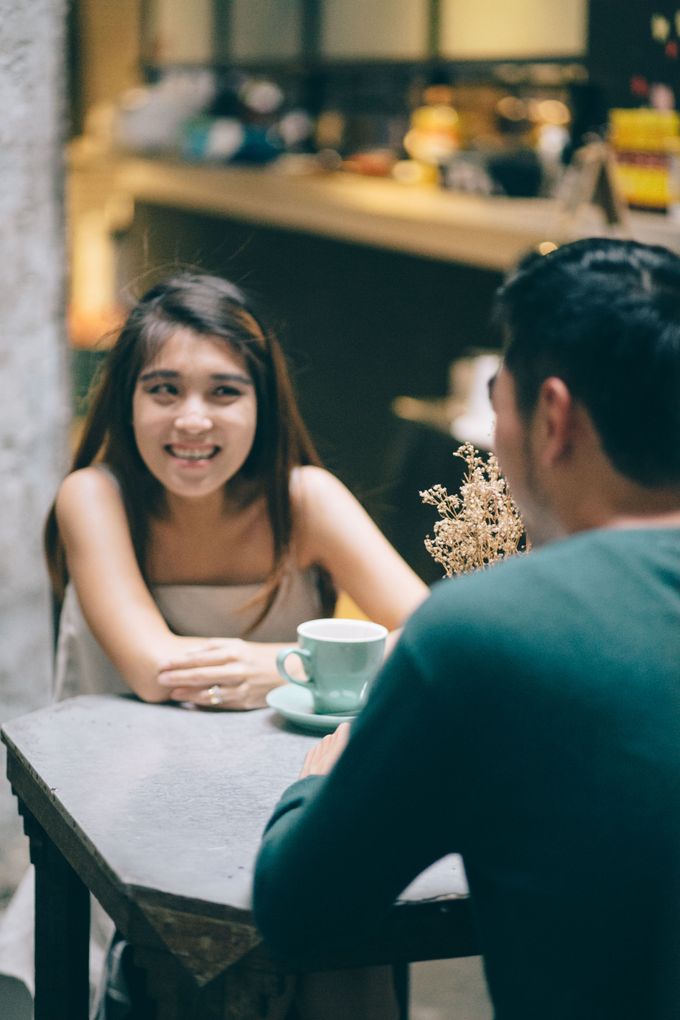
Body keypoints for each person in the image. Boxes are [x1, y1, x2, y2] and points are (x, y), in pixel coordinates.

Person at [253, 238, 680, 1020]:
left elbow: (297, 912)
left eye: (497, 393)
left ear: (552, 416)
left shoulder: (488, 632)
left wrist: (326, 768)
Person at [0, 272, 427, 1018]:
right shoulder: (94, 497)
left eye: (224, 392)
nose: (192, 420)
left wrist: (272, 666)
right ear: (126, 399)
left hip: (279, 811)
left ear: (262, 404)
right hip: (115, 822)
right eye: (163, 389)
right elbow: (158, 669)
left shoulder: (305, 500)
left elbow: (431, 641)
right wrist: (303, 669)